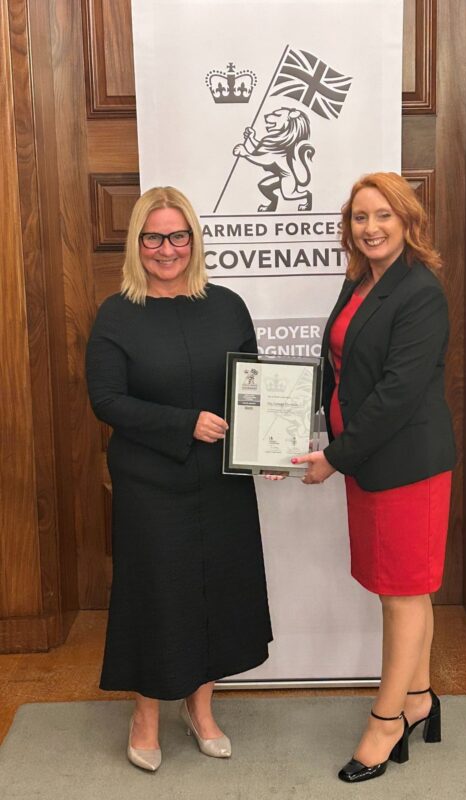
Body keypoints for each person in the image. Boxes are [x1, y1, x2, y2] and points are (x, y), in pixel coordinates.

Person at [86, 186, 272, 771]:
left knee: (217, 587)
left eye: (178, 236)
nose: (167, 249)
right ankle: (146, 713)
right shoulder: (117, 312)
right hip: (149, 481)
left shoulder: (228, 305)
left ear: (194, 240)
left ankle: (201, 706)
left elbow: (256, 389)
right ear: (137, 243)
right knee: (157, 594)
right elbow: (106, 400)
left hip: (221, 478)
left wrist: (269, 440)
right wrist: (183, 423)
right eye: (154, 237)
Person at [293, 172, 456, 783]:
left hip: (405, 466)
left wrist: (335, 457)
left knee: (403, 592)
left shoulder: (421, 292)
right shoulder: (360, 280)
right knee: (406, 586)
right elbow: (336, 368)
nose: (371, 228)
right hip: (367, 460)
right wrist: (306, 431)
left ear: (408, 220)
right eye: (360, 217)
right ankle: (420, 699)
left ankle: (387, 722)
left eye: (383, 215)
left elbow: (394, 396)